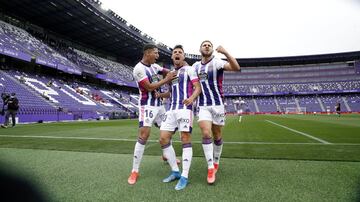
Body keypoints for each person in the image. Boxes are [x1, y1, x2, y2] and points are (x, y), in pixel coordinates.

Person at [127, 43, 177, 185]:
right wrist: (167, 80)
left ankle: (166, 156)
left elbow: (167, 71)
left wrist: (174, 72)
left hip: (160, 106)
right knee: (144, 136)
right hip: (147, 106)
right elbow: (149, 87)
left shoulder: (155, 67)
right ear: (148, 53)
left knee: (167, 132)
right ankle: (135, 171)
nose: (158, 55)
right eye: (155, 53)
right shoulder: (138, 69)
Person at [192, 40, 240, 184]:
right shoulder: (195, 66)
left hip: (218, 104)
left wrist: (225, 52)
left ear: (212, 49)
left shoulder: (218, 62)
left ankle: (217, 160)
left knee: (217, 135)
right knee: (206, 133)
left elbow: (236, 67)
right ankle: (210, 166)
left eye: (209, 45)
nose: (206, 46)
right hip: (203, 105)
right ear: (199, 49)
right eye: (204, 45)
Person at [157, 45, 201, 190]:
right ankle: (175, 171)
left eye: (180, 52)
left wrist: (191, 98)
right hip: (171, 110)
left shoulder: (189, 69)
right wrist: (160, 95)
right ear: (172, 57)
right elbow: (170, 92)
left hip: (185, 108)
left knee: (185, 139)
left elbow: (197, 88)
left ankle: (185, 176)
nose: (177, 54)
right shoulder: (171, 74)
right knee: (163, 139)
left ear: (183, 56)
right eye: (175, 52)